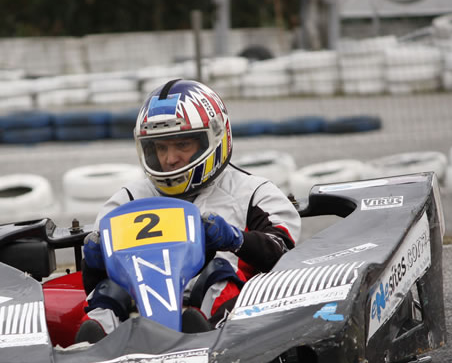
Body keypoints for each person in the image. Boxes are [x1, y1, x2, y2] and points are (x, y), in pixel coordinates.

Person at [75, 79, 301, 343]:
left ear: (215, 138)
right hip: (141, 312)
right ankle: (96, 348)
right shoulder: (126, 201)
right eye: (161, 148)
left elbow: (285, 255)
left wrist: (236, 239)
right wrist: (94, 262)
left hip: (228, 317)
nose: (170, 159)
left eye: (182, 145)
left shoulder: (254, 193)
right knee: (108, 291)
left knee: (219, 273)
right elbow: (93, 285)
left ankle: (208, 339)